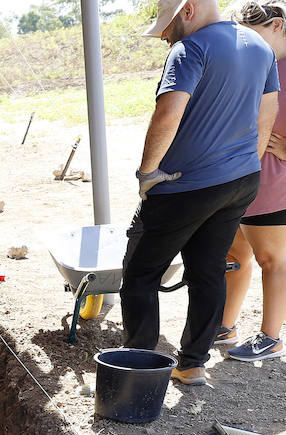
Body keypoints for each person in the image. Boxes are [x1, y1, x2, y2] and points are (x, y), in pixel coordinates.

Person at [118, 0, 279, 386]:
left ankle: (138, 369)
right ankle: (191, 365)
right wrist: (246, 166)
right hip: (239, 181)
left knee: (140, 274)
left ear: (187, 10)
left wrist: (147, 173)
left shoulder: (190, 48)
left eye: (167, 27)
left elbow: (168, 113)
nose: (164, 36)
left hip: (184, 184)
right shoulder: (260, 47)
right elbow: (266, 114)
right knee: (208, 271)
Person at [221, 0, 286, 362]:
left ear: (277, 26)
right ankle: (225, 325)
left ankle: (271, 338)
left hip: (276, 185)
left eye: (253, 36)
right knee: (234, 255)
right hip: (241, 181)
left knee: (272, 260)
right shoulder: (260, 64)